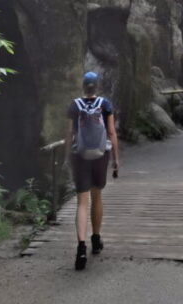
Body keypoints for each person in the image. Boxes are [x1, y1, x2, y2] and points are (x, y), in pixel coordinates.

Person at [65, 71, 120, 271]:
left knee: (82, 202)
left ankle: (81, 247)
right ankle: (96, 240)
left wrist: (66, 157)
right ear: (97, 86)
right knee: (97, 196)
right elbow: (111, 132)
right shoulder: (105, 104)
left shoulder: (74, 105)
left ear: (83, 86)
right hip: (100, 155)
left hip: (79, 156)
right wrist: (116, 159)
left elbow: (70, 133)